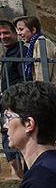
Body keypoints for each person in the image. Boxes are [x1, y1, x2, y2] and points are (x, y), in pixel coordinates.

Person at [15, 16, 56, 111]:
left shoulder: (42, 43)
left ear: (33, 29)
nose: (19, 33)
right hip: (50, 92)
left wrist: (38, 95)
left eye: (21, 29)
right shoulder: (34, 44)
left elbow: (43, 71)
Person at [0, 19, 26, 177]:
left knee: (22, 151)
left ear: (15, 33)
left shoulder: (21, 52)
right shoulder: (6, 54)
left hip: (17, 106)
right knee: (10, 153)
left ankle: (28, 178)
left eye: (6, 33)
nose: (3, 36)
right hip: (6, 106)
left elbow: (23, 80)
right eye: (0, 34)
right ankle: (26, 178)